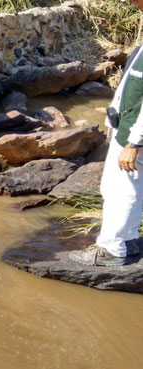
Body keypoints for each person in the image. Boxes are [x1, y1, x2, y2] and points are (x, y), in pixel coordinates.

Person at [69, 0, 143, 267]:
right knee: (121, 186)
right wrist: (114, 113)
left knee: (122, 188)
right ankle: (129, 239)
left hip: (136, 135)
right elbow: (132, 82)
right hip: (128, 127)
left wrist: (135, 142)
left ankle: (112, 250)